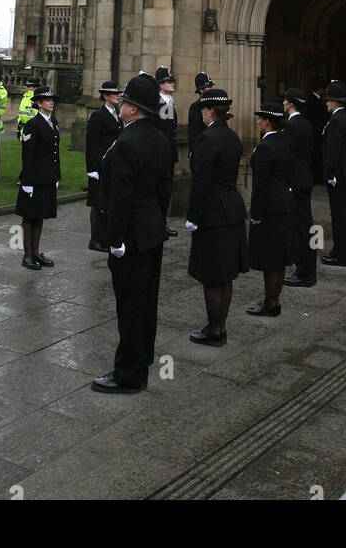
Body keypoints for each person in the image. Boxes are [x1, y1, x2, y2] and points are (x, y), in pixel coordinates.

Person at [92, 73, 172, 393]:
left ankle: (127, 374)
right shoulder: (161, 139)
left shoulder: (127, 142)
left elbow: (120, 199)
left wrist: (115, 241)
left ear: (134, 109)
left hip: (131, 236)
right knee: (145, 302)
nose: (121, 105)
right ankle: (140, 364)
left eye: (125, 101)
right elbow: (163, 191)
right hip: (152, 231)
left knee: (129, 305)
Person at [185, 87, 248, 345]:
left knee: (212, 274)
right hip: (232, 210)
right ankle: (220, 326)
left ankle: (214, 331)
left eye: (203, 109)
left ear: (211, 110)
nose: (200, 113)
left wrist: (192, 216)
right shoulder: (233, 137)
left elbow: (201, 182)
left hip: (212, 213)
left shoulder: (206, 140)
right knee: (226, 274)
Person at [246, 103, 299, 317]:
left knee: (270, 258)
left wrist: (256, 214)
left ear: (267, 121)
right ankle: (273, 301)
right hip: (284, 203)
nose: (258, 121)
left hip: (270, 208)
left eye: (260, 118)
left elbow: (261, 185)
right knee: (279, 257)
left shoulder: (266, 147)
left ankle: (270, 303)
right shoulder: (283, 143)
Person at [16, 86, 60, 270]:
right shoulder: (33, 124)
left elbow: (55, 151)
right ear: (39, 104)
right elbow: (28, 154)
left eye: (52, 99)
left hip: (47, 177)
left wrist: (57, 175)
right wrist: (27, 181)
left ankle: (36, 252)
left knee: (40, 216)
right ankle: (28, 254)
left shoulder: (53, 122)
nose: (51, 102)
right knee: (30, 217)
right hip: (34, 178)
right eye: (47, 100)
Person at [282, 87, 317, 289]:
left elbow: (288, 155)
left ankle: (305, 272)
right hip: (304, 178)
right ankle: (305, 270)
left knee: (302, 228)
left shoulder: (293, 126)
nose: (284, 104)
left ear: (291, 103)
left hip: (296, 181)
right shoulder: (305, 124)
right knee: (306, 225)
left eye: (286, 101)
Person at [321, 80, 346, 267]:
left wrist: (330, 174)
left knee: (339, 216)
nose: (326, 103)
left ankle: (340, 254)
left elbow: (333, 152)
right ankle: (344, 252)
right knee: (345, 214)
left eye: (328, 100)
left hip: (338, 175)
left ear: (335, 102)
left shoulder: (336, 121)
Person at [85, 80, 122, 251]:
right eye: (114, 94)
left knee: (108, 203)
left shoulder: (118, 114)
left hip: (113, 165)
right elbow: (91, 144)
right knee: (97, 203)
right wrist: (91, 169)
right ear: (106, 96)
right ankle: (95, 239)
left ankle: (105, 237)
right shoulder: (98, 116)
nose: (117, 96)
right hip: (99, 166)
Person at [155, 66, 179, 236]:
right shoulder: (159, 102)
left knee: (166, 190)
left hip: (169, 153)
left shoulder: (170, 101)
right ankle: (157, 224)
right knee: (159, 190)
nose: (172, 84)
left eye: (172, 81)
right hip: (160, 154)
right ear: (160, 84)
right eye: (168, 81)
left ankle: (162, 223)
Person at [186, 72, 214, 157]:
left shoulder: (214, 104)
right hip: (201, 148)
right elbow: (193, 131)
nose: (211, 89)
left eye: (211, 86)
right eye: (208, 87)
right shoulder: (195, 107)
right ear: (201, 90)